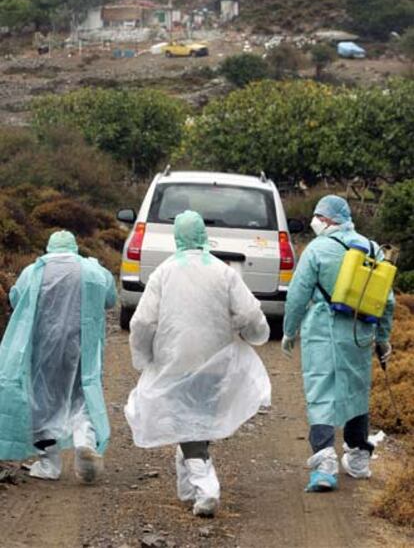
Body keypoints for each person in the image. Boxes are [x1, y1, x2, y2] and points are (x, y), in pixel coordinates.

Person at [125, 210, 270, 516]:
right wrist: (257, 335)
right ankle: (189, 488)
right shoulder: (224, 272)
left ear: (176, 237)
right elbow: (249, 314)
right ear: (204, 234)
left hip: (175, 360)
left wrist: (144, 357)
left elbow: (142, 322)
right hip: (215, 360)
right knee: (196, 419)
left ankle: (206, 489)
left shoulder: (163, 273)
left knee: (186, 421)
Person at [281, 196, 394, 492]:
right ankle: (358, 459)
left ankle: (325, 462)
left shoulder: (317, 249)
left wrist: (289, 331)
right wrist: (383, 339)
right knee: (356, 391)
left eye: (318, 216)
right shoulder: (371, 248)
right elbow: (388, 300)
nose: (314, 221)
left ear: (328, 220)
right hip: (360, 333)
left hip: (323, 330)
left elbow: (297, 294)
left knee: (321, 391)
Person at [0, 230, 116, 483]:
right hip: (80, 346)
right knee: (81, 395)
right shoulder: (93, 271)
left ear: (49, 248)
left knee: (42, 398)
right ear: (74, 247)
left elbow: (15, 298)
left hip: (44, 347)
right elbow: (110, 300)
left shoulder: (33, 271)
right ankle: (84, 439)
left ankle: (49, 464)